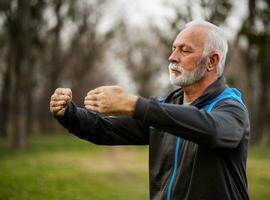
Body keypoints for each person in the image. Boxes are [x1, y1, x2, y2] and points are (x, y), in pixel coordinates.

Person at [50, 20, 250, 200]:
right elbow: (103, 129)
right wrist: (69, 114)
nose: (172, 57)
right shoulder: (165, 109)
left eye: (185, 50)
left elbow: (212, 129)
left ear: (211, 61)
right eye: (173, 49)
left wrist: (134, 105)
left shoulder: (231, 108)